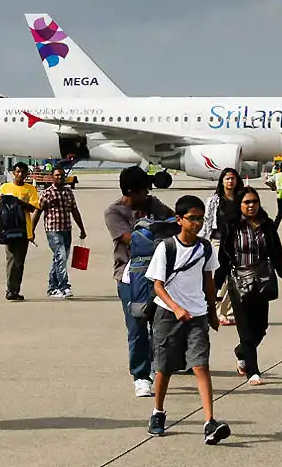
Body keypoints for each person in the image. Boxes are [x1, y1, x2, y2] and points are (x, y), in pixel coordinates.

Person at [145, 195, 231, 444]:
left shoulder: (205, 248)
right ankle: (158, 412)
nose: (197, 223)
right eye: (192, 218)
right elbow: (158, 286)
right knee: (164, 367)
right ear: (179, 220)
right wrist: (175, 308)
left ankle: (209, 422)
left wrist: (212, 312)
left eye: (200, 219)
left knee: (200, 365)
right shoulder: (167, 248)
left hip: (197, 315)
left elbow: (209, 281)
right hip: (168, 315)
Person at [104, 165, 174, 398]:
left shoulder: (153, 203)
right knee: (137, 327)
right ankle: (141, 376)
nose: (146, 195)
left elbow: (175, 223)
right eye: (143, 191)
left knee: (162, 325)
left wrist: (155, 230)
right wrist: (158, 231)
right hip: (129, 276)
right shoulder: (114, 212)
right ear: (130, 192)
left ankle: (157, 365)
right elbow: (132, 240)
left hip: (159, 274)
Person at [216, 186, 282, 385]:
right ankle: (253, 371)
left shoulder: (267, 225)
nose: (251, 206)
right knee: (246, 328)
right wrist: (216, 285)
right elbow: (223, 257)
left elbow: (277, 253)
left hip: (261, 279)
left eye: (255, 201)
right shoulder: (232, 226)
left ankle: (241, 352)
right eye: (247, 202)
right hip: (239, 280)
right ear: (239, 204)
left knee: (261, 327)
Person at [31, 165, 86, 299]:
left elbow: (74, 211)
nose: (60, 177)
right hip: (53, 230)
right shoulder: (47, 193)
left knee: (60, 259)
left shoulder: (68, 193)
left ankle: (52, 288)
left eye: (62, 175)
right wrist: (31, 231)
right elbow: (38, 211)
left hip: (66, 229)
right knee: (61, 256)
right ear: (52, 177)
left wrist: (82, 228)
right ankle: (64, 286)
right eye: (57, 175)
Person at [198, 167, 244, 325]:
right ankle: (218, 310)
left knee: (236, 277)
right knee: (221, 276)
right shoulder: (214, 200)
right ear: (222, 181)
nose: (230, 181)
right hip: (218, 241)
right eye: (227, 178)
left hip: (237, 242)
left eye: (233, 178)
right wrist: (202, 241)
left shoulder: (242, 199)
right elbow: (207, 221)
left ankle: (228, 312)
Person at [0, 162, 40, 301]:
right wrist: (4, 202)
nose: (20, 174)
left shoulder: (30, 189)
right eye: (18, 172)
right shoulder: (4, 187)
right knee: (11, 260)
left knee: (19, 261)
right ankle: (11, 290)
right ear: (13, 173)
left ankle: (14, 289)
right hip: (8, 228)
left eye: (23, 172)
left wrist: (17, 201)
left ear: (27, 174)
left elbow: (32, 208)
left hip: (23, 230)